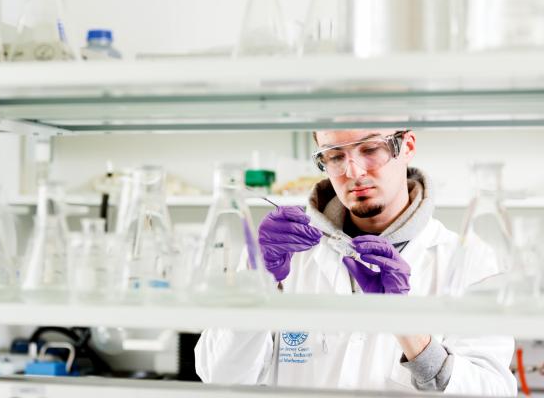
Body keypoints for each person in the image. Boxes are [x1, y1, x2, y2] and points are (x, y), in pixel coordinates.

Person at [195, 129, 516, 395]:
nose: (354, 172)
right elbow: (221, 376)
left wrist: (410, 330)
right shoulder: (283, 251)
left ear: (407, 146)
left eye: (371, 148)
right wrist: (258, 277)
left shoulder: (474, 261)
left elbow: (493, 390)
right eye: (335, 155)